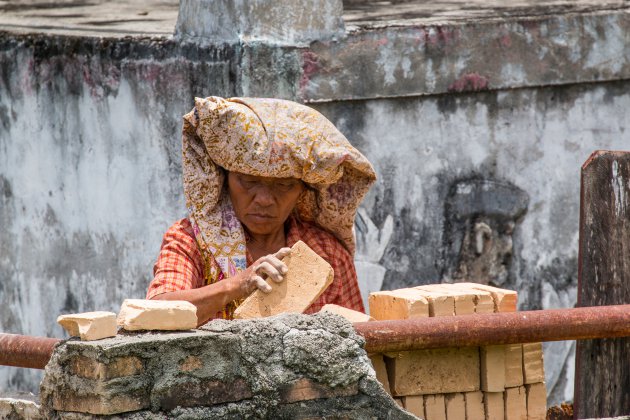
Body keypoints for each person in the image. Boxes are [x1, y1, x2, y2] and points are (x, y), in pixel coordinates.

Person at [146, 97, 376, 325]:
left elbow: (357, 338)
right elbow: (158, 310)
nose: (264, 199)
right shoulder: (192, 240)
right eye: (248, 181)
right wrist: (237, 285)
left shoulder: (327, 253)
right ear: (224, 181)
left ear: (303, 192)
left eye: (283, 185)